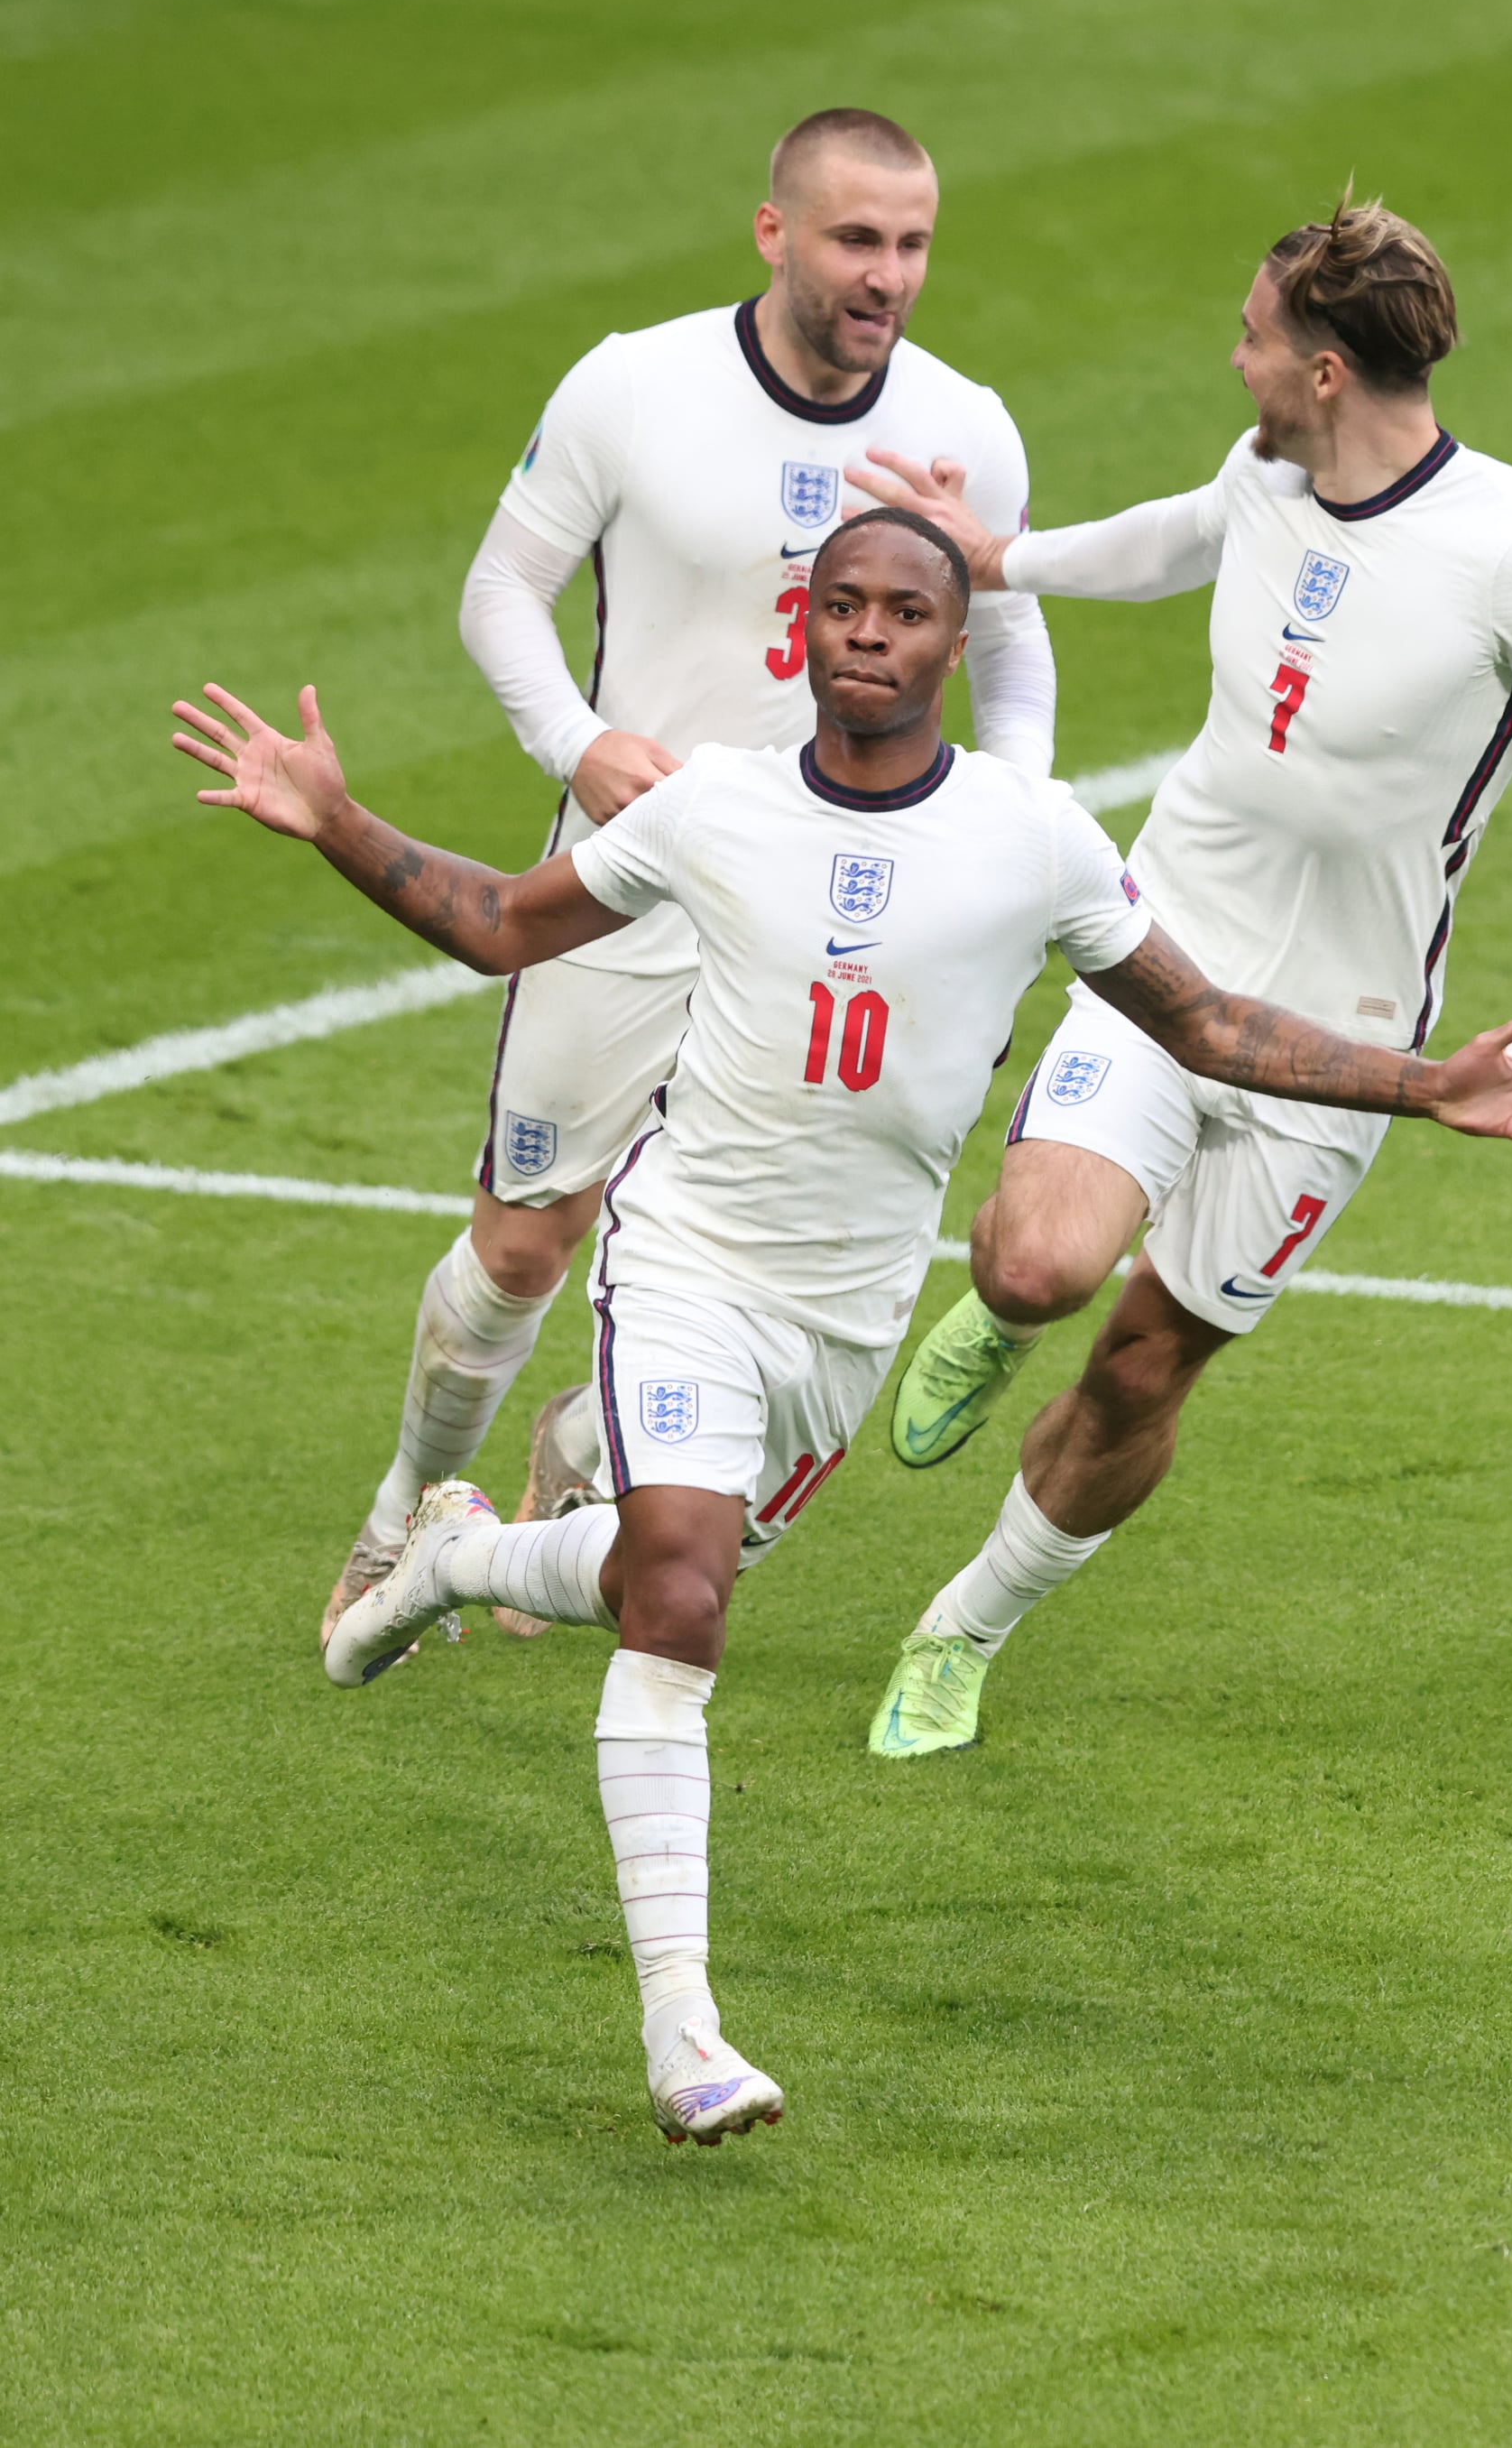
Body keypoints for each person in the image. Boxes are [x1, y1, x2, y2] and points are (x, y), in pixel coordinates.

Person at [171, 512, 1512, 2144]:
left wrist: (1441, 1085)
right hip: (689, 1257)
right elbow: (508, 921)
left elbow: (1206, 1022)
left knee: (665, 1570)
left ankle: (449, 1559)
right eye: (841, 605)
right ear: (800, 632)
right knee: (684, 1605)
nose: (869, 632)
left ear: (949, 643)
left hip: (850, 1316)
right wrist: (337, 819)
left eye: (906, 610)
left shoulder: (1035, 836)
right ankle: (684, 2037)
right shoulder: (716, 807)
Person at [850, 194, 1512, 1759]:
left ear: (1321, 370)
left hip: (1350, 1037)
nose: (1230, 351)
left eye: (1252, 333)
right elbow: (1187, 532)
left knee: (1144, 1367)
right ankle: (998, 1316)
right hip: (1165, 951)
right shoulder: (1269, 468)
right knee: (1035, 1265)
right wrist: (999, 557)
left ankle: (964, 1627)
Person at [323, 106, 1056, 1650]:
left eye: (915, 244)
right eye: (859, 240)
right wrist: (579, 742)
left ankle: (581, 1467)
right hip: (636, 881)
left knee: (759, 1252)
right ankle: (398, 1519)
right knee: (525, 1241)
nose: (890, 277)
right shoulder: (633, 383)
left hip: (834, 926)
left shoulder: (964, 428)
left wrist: (1010, 832)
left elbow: (1011, 651)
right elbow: (502, 591)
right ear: (775, 232)